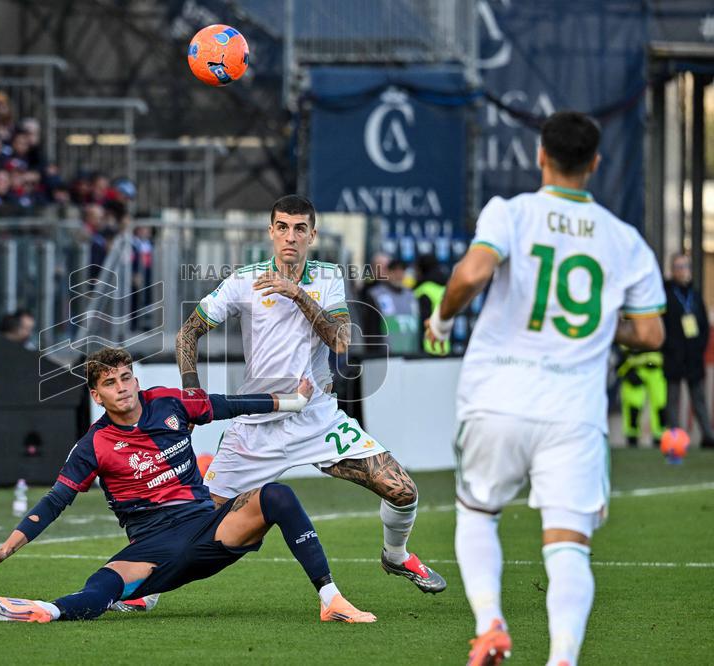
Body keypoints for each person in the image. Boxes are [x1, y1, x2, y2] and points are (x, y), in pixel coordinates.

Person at [424, 111, 666, 666]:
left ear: (541, 156)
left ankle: (490, 623)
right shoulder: (624, 239)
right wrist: (604, 326)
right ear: (595, 163)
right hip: (573, 412)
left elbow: (471, 275)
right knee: (568, 548)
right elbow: (651, 333)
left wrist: (441, 320)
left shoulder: (511, 213)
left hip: (497, 397)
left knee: (478, 513)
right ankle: (562, 659)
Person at [0, 347, 375, 625]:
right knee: (101, 588)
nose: (122, 387)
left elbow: (229, 404)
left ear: (135, 380)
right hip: (153, 545)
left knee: (277, 495)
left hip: (208, 528)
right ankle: (46, 610)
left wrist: (294, 402)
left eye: (126, 377)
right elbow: (56, 501)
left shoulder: (168, 402)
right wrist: (7, 548)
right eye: (110, 383)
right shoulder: (93, 445)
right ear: (96, 395)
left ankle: (331, 599)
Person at [176, 194, 446, 598]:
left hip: (316, 419)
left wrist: (297, 293)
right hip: (257, 425)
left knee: (403, 491)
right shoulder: (244, 281)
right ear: (271, 232)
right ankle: (146, 590)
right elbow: (187, 333)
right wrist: (191, 389)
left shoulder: (328, 277)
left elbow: (341, 342)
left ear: (312, 235)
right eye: (282, 227)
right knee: (198, 521)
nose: (291, 236)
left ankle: (396, 554)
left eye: (299, 228)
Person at [661, 252, 714, 447]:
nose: (683, 271)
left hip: (693, 355)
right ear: (672, 270)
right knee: (673, 399)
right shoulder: (666, 294)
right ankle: (675, 439)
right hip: (674, 355)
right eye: (679, 267)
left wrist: (699, 347)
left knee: (698, 398)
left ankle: (707, 435)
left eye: (686, 266)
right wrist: (669, 348)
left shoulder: (695, 295)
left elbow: (703, 325)